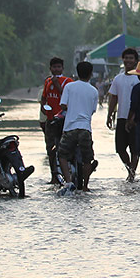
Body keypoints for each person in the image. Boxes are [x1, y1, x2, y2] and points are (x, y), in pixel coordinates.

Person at [57, 61, 100, 196]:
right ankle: (85, 187)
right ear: (91, 74)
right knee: (87, 159)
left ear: (77, 72)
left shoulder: (69, 87)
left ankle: (68, 182)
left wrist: (72, 108)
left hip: (70, 127)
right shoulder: (94, 90)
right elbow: (93, 110)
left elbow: (63, 105)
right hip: (85, 128)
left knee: (62, 155)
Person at [106, 48, 140, 181]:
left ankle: (131, 174)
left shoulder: (138, 79)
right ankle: (130, 169)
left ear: (136, 61)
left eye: (131, 58)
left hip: (135, 119)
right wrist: (109, 115)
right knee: (120, 148)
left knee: (134, 149)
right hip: (121, 117)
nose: (128, 60)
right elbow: (113, 98)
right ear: (123, 60)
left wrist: (135, 117)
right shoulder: (118, 79)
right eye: (126, 58)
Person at [40, 57, 73, 183]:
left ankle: (68, 174)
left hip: (63, 119)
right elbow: (44, 97)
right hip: (50, 119)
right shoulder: (47, 81)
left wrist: (57, 84)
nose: (56, 69)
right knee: (50, 148)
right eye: (54, 67)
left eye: (59, 67)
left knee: (65, 147)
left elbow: (67, 97)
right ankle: (54, 175)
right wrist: (43, 108)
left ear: (62, 68)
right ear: (50, 68)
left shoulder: (68, 81)